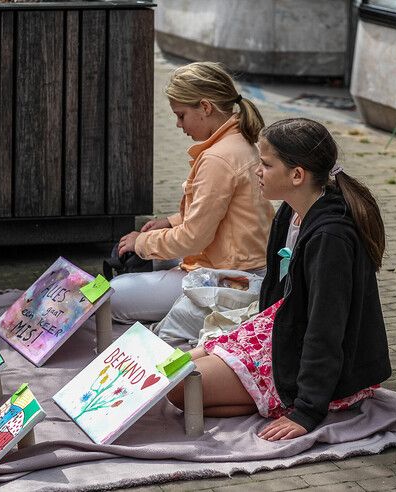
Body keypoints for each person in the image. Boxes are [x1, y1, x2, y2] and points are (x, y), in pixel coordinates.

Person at [167, 118, 392, 441]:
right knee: (171, 366)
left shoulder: (330, 237)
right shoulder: (290, 212)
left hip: (309, 362)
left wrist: (307, 410)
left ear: (297, 175)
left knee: (178, 391)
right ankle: (265, 399)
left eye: (266, 164)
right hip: (282, 336)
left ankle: (277, 402)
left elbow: (326, 327)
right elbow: (278, 296)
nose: (257, 171)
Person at [112, 62, 275, 324]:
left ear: (206, 107)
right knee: (148, 258)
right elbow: (217, 211)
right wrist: (170, 222)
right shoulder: (239, 142)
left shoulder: (218, 158)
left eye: (181, 115)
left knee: (113, 295)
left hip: (230, 277)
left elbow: (194, 239)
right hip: (242, 261)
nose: (178, 125)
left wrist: (140, 243)